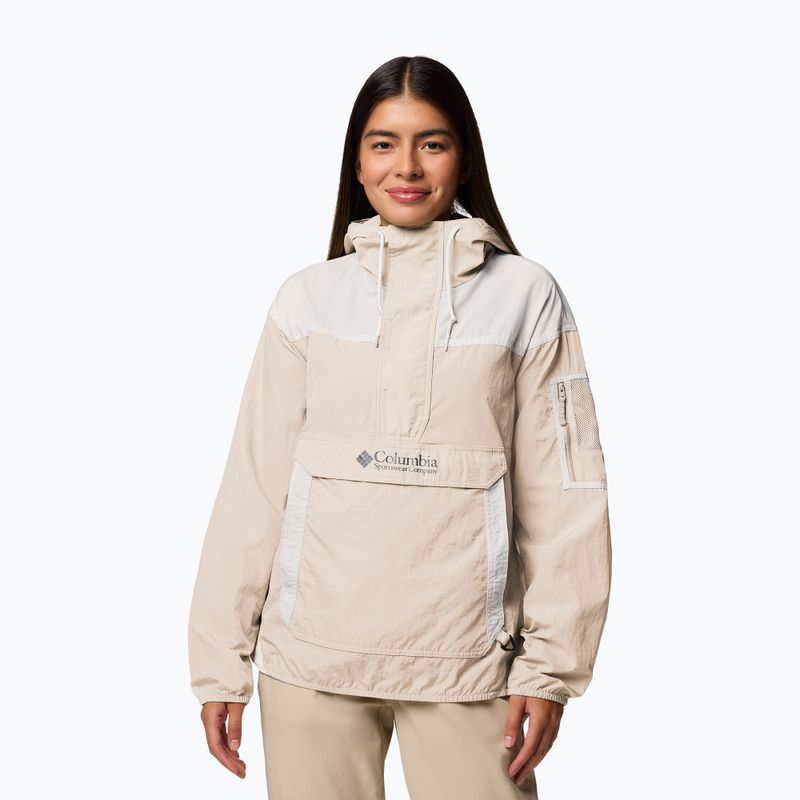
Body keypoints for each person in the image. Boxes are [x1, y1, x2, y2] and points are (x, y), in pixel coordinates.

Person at [187, 55, 612, 799]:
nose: (406, 167)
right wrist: (219, 661)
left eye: (432, 143)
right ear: (357, 163)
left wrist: (550, 669)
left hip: (470, 661)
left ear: (464, 158)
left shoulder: (526, 295)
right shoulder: (307, 301)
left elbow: (566, 492)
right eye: (383, 143)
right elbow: (254, 484)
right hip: (310, 660)